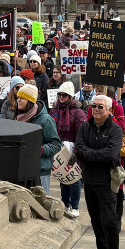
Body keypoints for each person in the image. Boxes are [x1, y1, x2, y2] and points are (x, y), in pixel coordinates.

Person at [75, 94, 125, 249]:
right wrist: (95, 155)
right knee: (95, 219)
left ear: (109, 110)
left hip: (106, 181)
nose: (96, 109)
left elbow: (111, 154)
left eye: (100, 107)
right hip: (88, 180)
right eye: (94, 106)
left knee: (109, 220)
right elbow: (78, 149)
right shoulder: (85, 127)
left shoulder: (116, 129)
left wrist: (88, 154)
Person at [11, 85, 62, 193]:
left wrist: (41, 150)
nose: (18, 100)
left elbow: (56, 144)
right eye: (18, 97)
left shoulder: (45, 119)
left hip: (39, 172)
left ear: (30, 100)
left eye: (22, 98)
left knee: (41, 205)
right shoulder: (16, 117)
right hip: (19, 169)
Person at [50, 82, 86, 218]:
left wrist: (76, 152)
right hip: (58, 147)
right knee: (62, 177)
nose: (61, 97)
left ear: (70, 96)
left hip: (71, 147)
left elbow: (80, 134)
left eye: (64, 95)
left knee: (74, 178)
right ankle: (66, 204)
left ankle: (75, 206)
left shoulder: (78, 112)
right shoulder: (54, 110)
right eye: (59, 94)